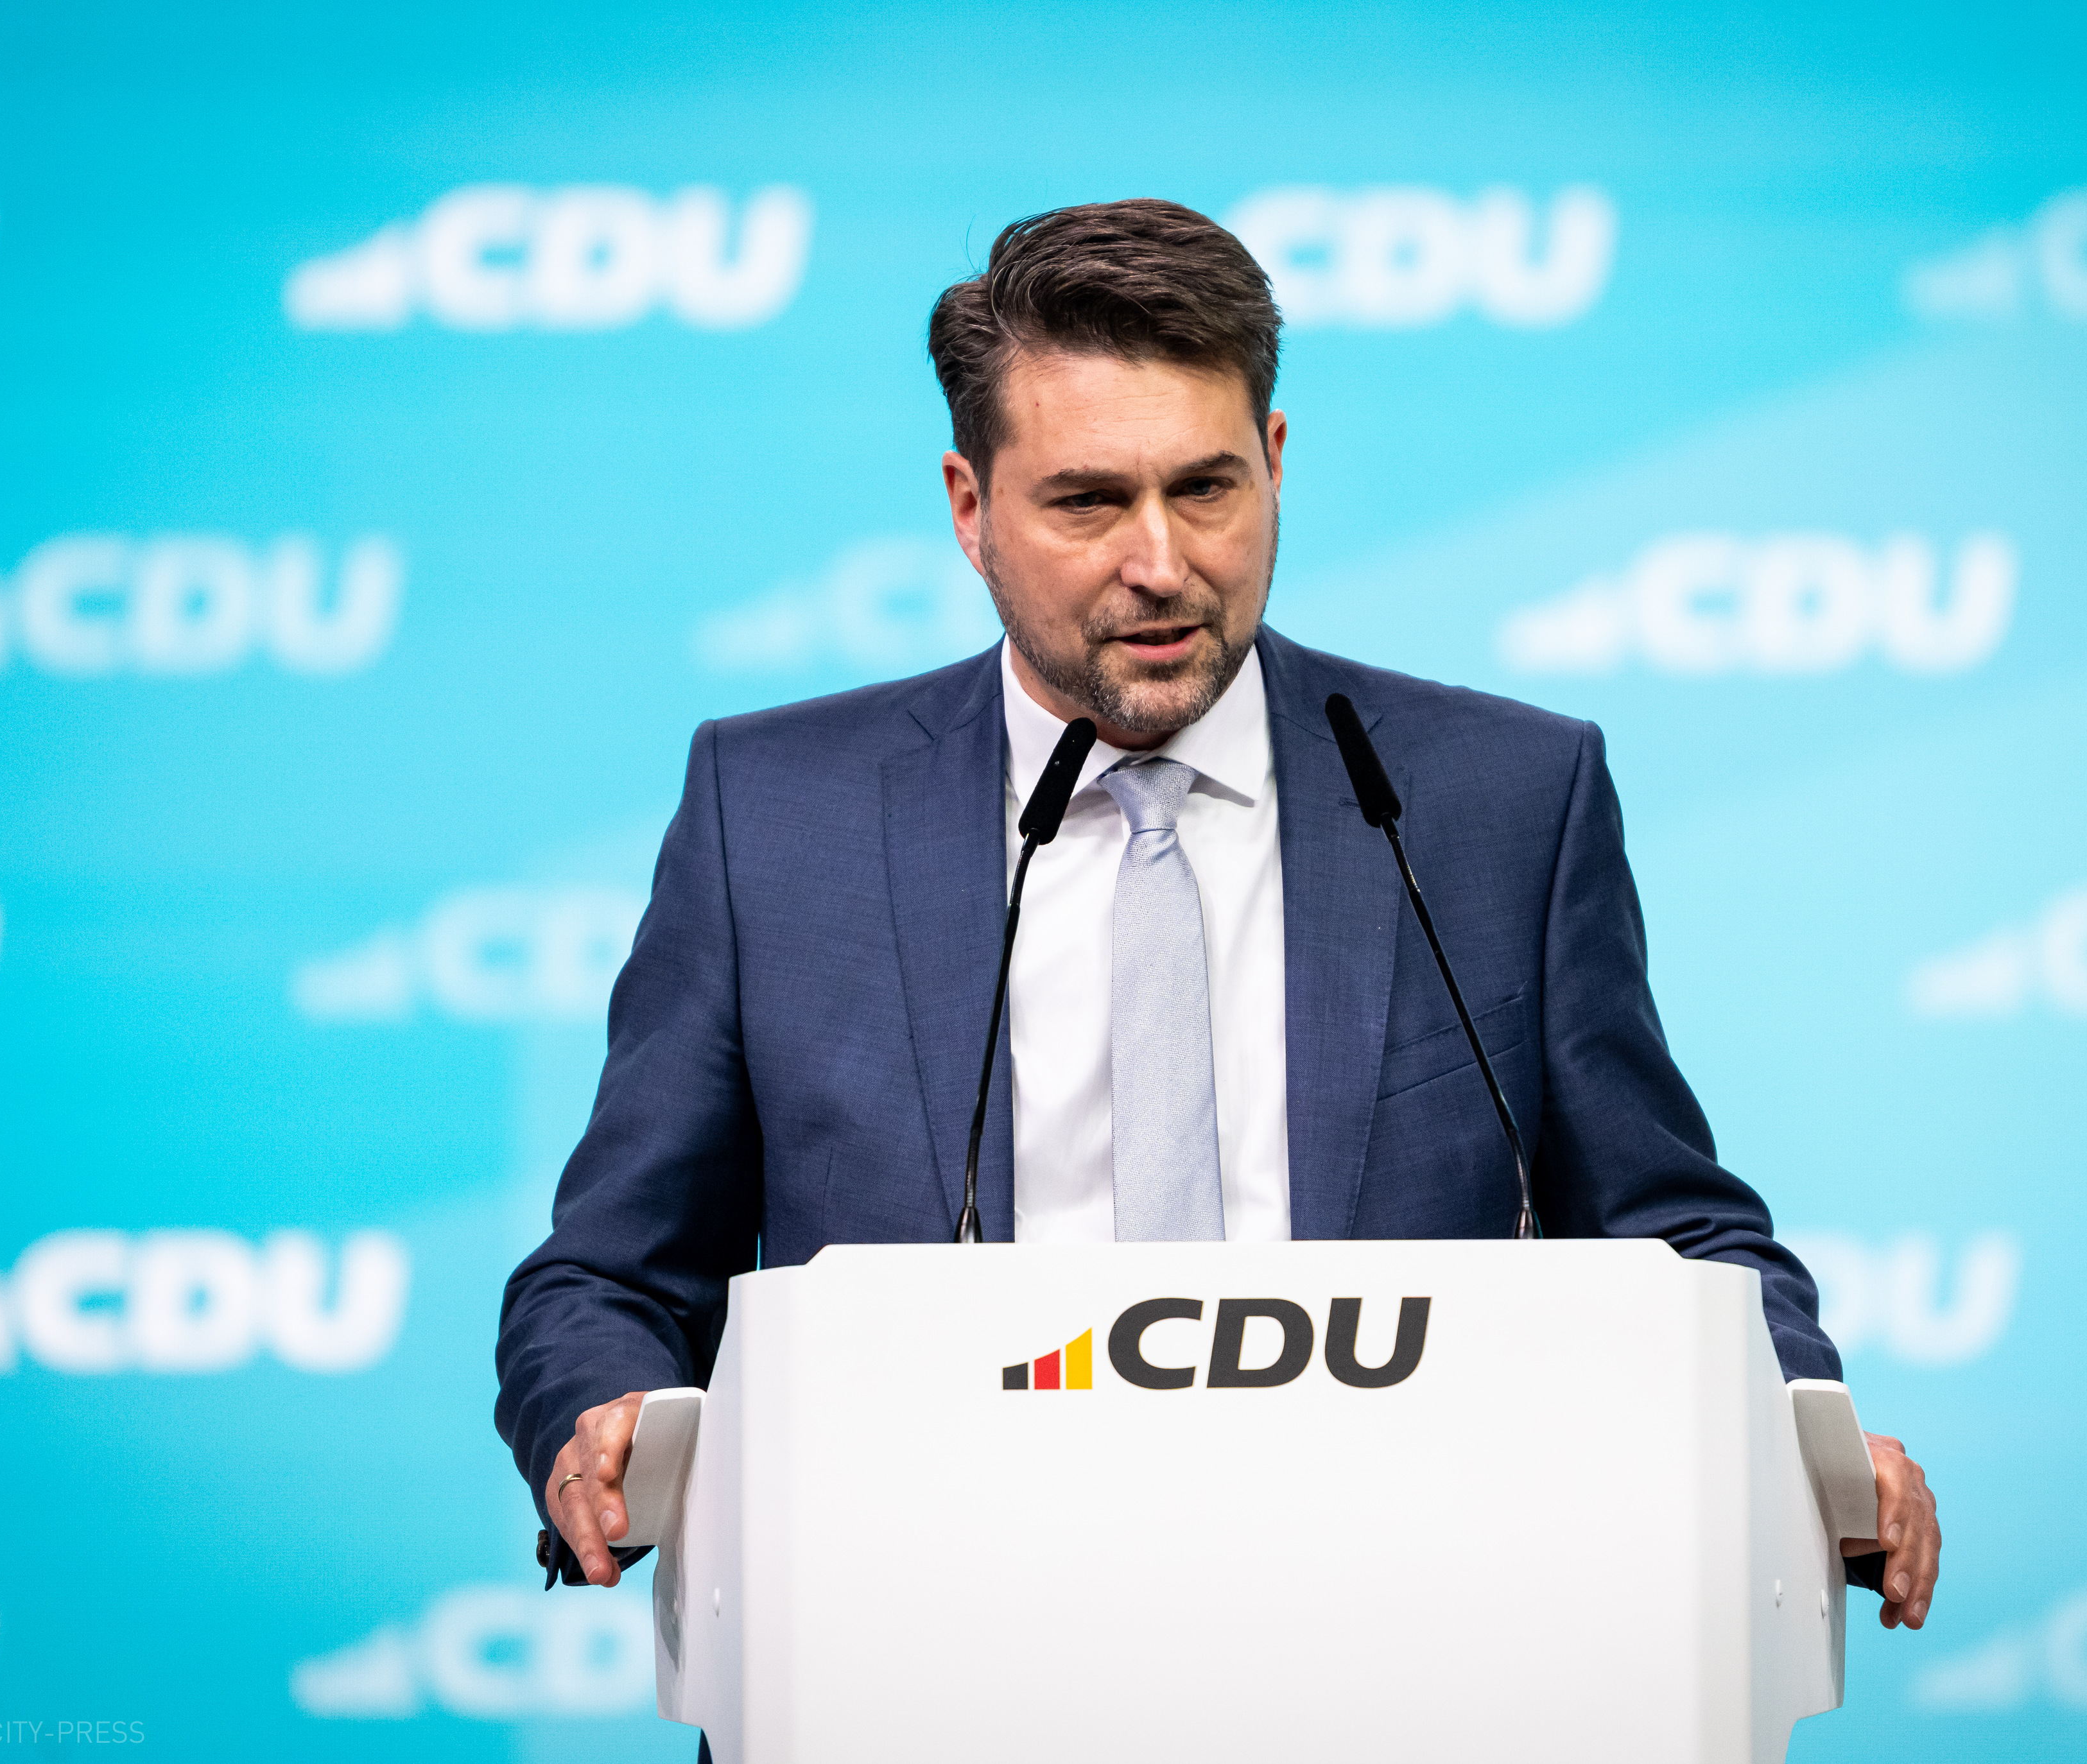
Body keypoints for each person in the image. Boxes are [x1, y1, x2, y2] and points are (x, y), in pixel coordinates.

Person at [496, 198, 1941, 1632]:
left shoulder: (1499, 801)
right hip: (910, 1643)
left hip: (1404, 1649)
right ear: (970, 510)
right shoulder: (773, 817)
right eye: (1086, 503)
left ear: (1278, 462)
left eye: (1206, 489)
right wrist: (603, 1422)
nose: (1162, 563)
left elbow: (1676, 1239)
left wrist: (1803, 1442)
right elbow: (610, 1275)